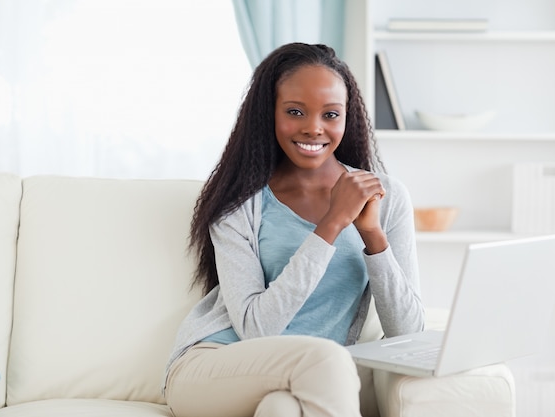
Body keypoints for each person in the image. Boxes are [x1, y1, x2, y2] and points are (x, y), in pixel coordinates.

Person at [163, 42, 424, 417]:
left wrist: (372, 236)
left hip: (306, 378)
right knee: (326, 359)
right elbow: (257, 330)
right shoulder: (239, 203)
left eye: (330, 114)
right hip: (216, 366)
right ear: (269, 114)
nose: (313, 128)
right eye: (295, 111)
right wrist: (332, 223)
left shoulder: (387, 196)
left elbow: (408, 335)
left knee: (281, 411)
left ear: (347, 117)